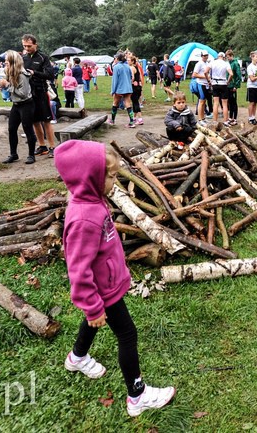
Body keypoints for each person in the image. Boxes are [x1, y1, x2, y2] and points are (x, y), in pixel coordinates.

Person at [53, 140, 176, 417]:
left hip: (106, 285)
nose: (114, 182)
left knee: (95, 322)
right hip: (101, 291)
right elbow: (78, 269)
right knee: (127, 333)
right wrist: (93, 305)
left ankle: (77, 357)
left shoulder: (93, 200)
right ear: (89, 178)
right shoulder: (85, 218)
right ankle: (137, 395)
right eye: (109, 176)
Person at [0, 50, 37, 165]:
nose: (5, 62)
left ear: (13, 61)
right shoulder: (10, 73)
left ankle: (31, 155)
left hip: (26, 104)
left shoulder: (22, 75)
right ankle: (13, 154)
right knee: (11, 129)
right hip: (16, 105)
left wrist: (8, 86)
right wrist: (2, 86)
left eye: (7, 60)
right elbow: (12, 89)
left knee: (27, 129)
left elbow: (23, 93)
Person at [21, 34, 56, 158]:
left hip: (41, 92)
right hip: (29, 94)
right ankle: (42, 146)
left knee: (46, 120)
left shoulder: (43, 57)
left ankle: (52, 147)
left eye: (29, 46)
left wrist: (34, 73)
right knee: (35, 121)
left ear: (35, 44)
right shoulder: (23, 58)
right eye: (24, 46)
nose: (27, 48)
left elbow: (50, 75)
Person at [110, 52, 136, 128]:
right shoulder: (127, 66)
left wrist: (113, 90)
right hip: (128, 88)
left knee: (115, 103)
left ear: (117, 59)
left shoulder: (116, 67)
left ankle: (112, 120)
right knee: (128, 104)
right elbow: (131, 77)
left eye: (115, 58)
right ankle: (132, 122)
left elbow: (115, 80)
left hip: (119, 89)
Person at [209, 51, 233, 125]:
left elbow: (205, 71)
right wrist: (228, 81)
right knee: (224, 104)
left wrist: (209, 80)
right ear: (223, 57)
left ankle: (215, 121)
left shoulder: (213, 62)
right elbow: (231, 74)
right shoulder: (226, 63)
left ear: (218, 56)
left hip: (215, 83)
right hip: (223, 83)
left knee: (215, 103)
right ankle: (225, 121)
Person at [191, 50, 212, 124]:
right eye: (204, 55)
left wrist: (209, 80)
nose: (205, 57)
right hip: (201, 84)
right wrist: (204, 77)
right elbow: (194, 75)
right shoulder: (199, 64)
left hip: (206, 84)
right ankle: (200, 119)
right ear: (201, 56)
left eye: (206, 55)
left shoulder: (207, 63)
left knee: (204, 101)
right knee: (201, 101)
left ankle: (203, 118)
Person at [129, 52, 146, 125]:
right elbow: (140, 77)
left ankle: (140, 118)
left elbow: (132, 78)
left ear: (132, 61)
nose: (127, 61)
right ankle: (134, 118)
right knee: (135, 102)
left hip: (134, 87)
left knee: (135, 103)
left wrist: (129, 82)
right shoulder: (137, 67)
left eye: (128, 60)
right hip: (138, 87)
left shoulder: (132, 68)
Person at [246, 51, 257, 125]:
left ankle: (253, 117)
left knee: (255, 102)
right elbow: (251, 78)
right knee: (251, 102)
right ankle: (250, 117)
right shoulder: (250, 67)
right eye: (256, 57)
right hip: (251, 86)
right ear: (252, 57)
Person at [227, 49, 242, 125]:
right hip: (228, 85)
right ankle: (230, 117)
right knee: (229, 102)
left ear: (232, 56)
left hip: (233, 86)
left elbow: (239, 76)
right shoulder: (228, 63)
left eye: (228, 57)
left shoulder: (235, 63)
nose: (228, 58)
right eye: (227, 57)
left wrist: (236, 86)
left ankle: (235, 118)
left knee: (234, 102)